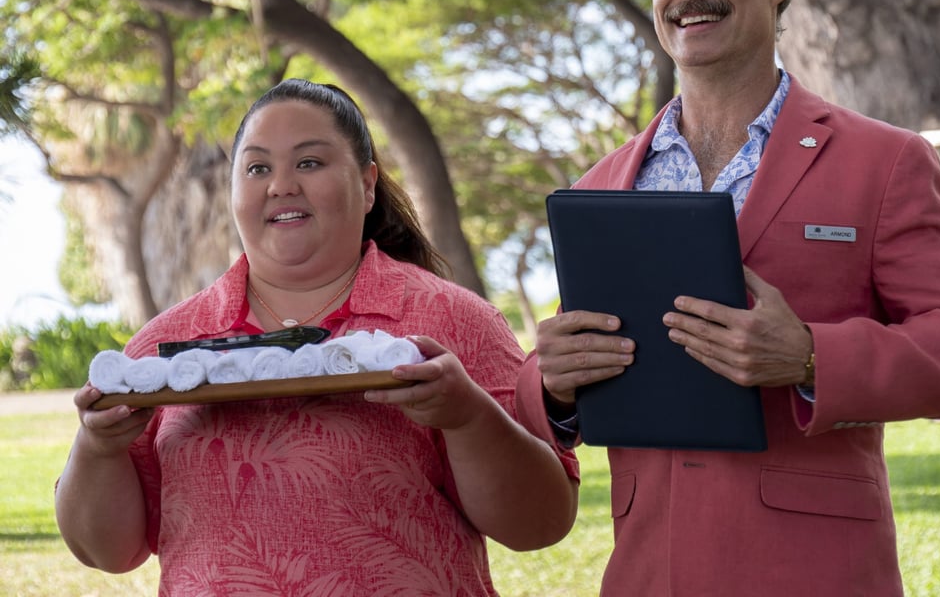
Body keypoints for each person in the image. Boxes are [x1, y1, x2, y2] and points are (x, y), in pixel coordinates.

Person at [515, 0, 940, 596]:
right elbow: (555, 385)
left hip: (818, 575)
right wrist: (551, 381)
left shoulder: (884, 162)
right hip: (647, 576)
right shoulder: (597, 189)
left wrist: (813, 355)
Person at [56, 78, 579, 595]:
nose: (281, 184)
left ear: (368, 183)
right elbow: (106, 552)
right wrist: (98, 447)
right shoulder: (166, 345)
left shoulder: (452, 320)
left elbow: (540, 523)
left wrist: (468, 416)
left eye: (309, 162)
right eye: (257, 167)